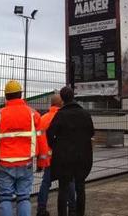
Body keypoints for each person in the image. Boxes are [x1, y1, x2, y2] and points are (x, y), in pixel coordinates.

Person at [0, 80, 49, 216]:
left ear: (6, 96)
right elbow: (42, 140)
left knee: (5, 197)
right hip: (26, 163)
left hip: (5, 164)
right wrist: (42, 163)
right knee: (24, 197)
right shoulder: (33, 115)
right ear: (21, 94)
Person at [47, 86, 94, 216]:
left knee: (63, 188)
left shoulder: (60, 115)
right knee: (80, 187)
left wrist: (56, 146)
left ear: (62, 99)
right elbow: (91, 132)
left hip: (64, 158)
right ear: (73, 96)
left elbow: (49, 134)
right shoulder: (85, 114)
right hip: (82, 157)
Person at [37, 93, 76, 216]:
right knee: (69, 182)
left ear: (51, 104)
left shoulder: (43, 119)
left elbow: (39, 139)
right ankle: (73, 209)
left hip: (49, 158)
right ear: (62, 103)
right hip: (65, 156)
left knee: (45, 183)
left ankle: (41, 209)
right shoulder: (67, 117)